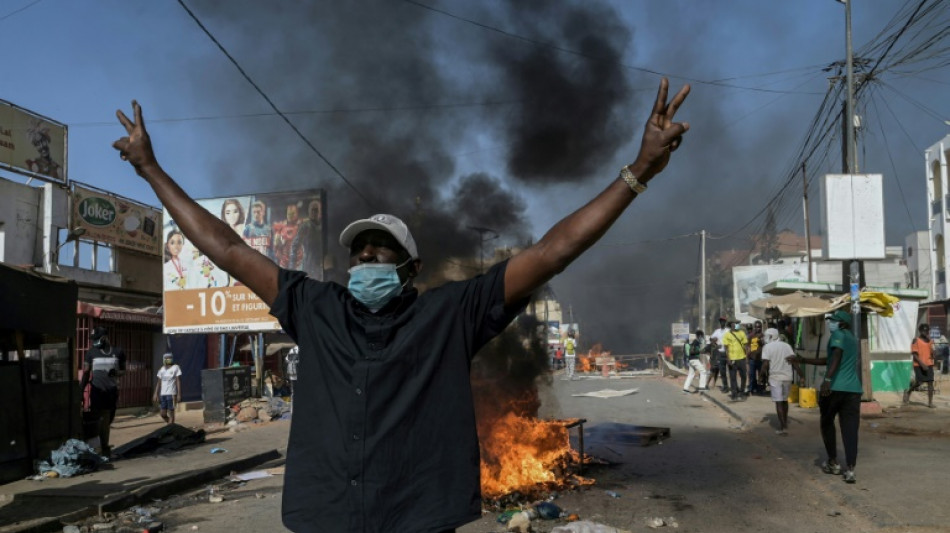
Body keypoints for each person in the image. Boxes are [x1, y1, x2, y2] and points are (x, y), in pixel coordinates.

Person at [112, 77, 690, 533]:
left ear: (411, 270)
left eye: (381, 253)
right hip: (329, 518)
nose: (366, 260)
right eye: (359, 253)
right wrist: (149, 169)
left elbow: (552, 251)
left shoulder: (449, 314)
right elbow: (228, 247)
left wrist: (637, 171)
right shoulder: (314, 308)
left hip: (419, 517)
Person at [794, 309, 861, 484]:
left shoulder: (838, 335)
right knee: (850, 429)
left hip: (834, 388)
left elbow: (836, 355)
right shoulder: (853, 339)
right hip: (853, 390)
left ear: (843, 323)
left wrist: (828, 379)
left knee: (826, 422)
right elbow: (829, 359)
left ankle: (833, 462)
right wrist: (804, 360)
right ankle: (851, 469)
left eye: (833, 320)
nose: (830, 323)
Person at [79, 326, 126, 457]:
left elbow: (124, 370)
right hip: (96, 391)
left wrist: (117, 372)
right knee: (99, 419)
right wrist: (81, 391)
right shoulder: (91, 353)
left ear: (104, 338)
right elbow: (86, 373)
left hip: (111, 392)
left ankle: (103, 446)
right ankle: (101, 448)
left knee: (108, 420)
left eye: (96, 339)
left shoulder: (118, 352)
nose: (94, 342)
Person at [760, 327, 796, 434]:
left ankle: (783, 426)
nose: (764, 338)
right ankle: (784, 421)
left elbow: (765, 364)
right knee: (784, 401)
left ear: (771, 336)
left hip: (775, 378)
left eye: (766, 336)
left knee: (779, 402)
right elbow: (793, 360)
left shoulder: (767, 347)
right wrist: (801, 375)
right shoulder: (787, 346)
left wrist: (761, 376)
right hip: (787, 377)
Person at [904, 323, 936, 408]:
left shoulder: (930, 341)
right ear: (920, 331)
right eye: (924, 330)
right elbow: (914, 355)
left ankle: (930, 402)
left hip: (928, 363)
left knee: (930, 382)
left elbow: (932, 353)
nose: (926, 332)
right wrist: (922, 364)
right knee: (919, 382)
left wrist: (933, 351)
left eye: (927, 331)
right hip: (918, 364)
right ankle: (908, 392)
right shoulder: (916, 340)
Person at [290, 199, 323, 276]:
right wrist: (292, 267)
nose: (314, 212)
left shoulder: (323, 227)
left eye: (316, 210)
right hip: (309, 265)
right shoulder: (305, 226)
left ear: (320, 212)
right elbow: (294, 246)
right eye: (312, 210)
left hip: (321, 265)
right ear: (309, 211)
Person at [723, 320, 749, 401]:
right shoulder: (727, 334)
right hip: (732, 359)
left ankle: (741, 392)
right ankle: (734, 394)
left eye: (737, 324)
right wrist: (728, 359)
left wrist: (746, 358)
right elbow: (726, 347)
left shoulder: (742, 333)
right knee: (733, 377)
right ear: (731, 325)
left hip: (742, 358)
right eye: (735, 324)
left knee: (744, 376)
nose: (736, 325)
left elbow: (745, 346)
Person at [153, 352, 182, 424]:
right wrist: (155, 393)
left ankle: (170, 427)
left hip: (171, 394)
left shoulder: (176, 367)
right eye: (165, 358)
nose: (167, 360)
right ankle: (171, 425)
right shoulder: (161, 369)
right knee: (162, 414)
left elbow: (178, 381)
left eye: (169, 358)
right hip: (163, 395)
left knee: (171, 413)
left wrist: (179, 394)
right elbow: (159, 382)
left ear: (172, 359)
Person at [272, 203, 301, 269]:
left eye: (292, 213)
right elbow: (276, 245)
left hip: (298, 261)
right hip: (284, 260)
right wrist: (279, 254)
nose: (290, 215)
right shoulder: (280, 226)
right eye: (289, 214)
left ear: (297, 214)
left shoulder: (301, 226)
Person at [709, 316, 731, 393]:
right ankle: (725, 387)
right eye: (721, 321)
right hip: (720, 353)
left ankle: (733, 387)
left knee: (731, 371)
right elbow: (711, 338)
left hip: (728, 353)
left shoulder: (728, 330)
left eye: (723, 321)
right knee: (722, 372)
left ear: (725, 322)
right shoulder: (717, 331)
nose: (722, 322)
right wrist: (714, 341)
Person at [747, 321, 765, 395]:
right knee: (752, 375)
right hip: (752, 359)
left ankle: (760, 389)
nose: (758, 328)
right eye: (757, 327)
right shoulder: (751, 336)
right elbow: (748, 347)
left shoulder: (763, 335)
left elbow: (764, 345)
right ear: (754, 327)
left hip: (760, 359)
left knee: (761, 375)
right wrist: (747, 358)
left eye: (759, 327)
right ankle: (751, 389)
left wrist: (761, 341)